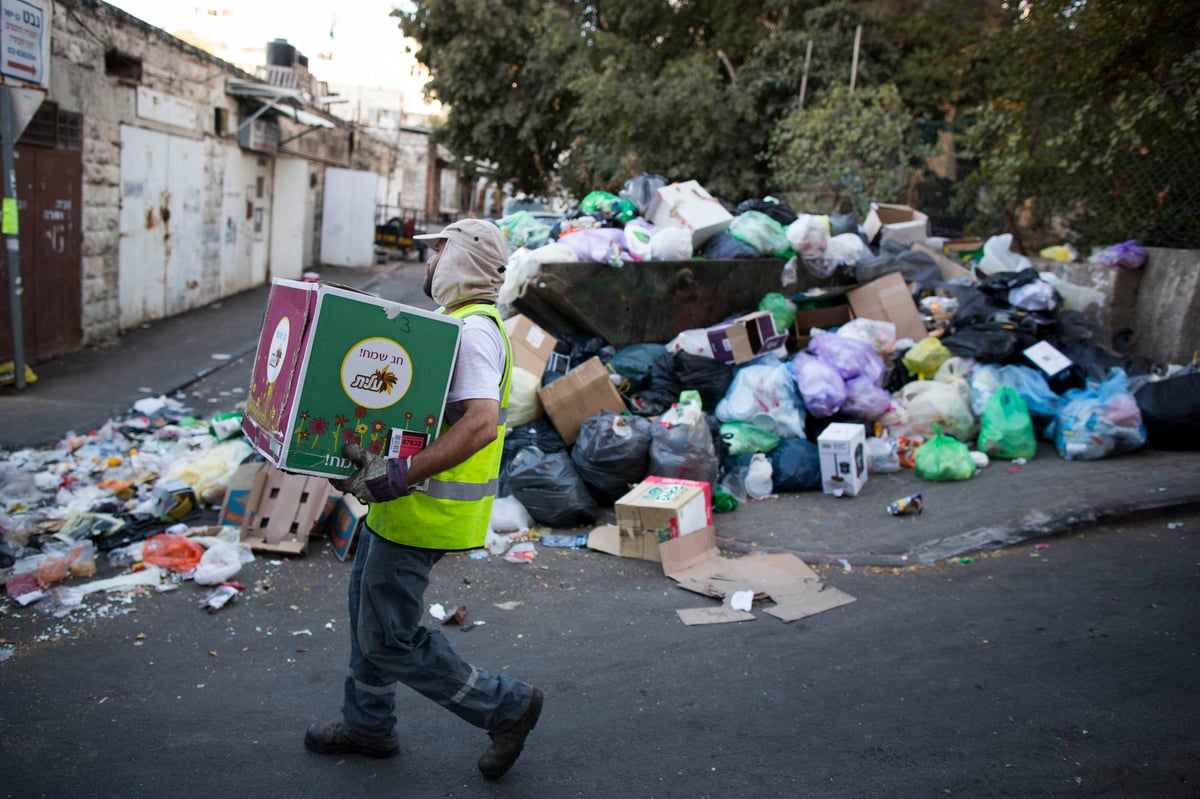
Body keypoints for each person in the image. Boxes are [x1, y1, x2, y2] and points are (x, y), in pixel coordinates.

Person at [304, 218, 542, 781]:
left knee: (389, 638)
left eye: (436, 252)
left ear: (460, 258)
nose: (428, 264)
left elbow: (482, 424)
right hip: (400, 507)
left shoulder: (474, 332)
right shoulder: (452, 324)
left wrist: (399, 474)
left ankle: (505, 706)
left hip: (423, 514)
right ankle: (367, 724)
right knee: (368, 612)